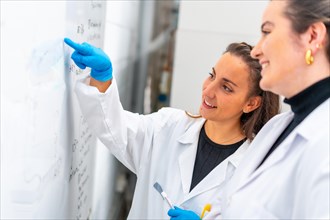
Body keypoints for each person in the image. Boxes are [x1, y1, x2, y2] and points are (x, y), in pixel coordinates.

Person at [64, 38, 280, 219]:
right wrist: (103, 78)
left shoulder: (255, 169)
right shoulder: (168, 127)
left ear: (251, 103)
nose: (209, 91)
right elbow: (113, 126)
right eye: (212, 75)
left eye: (226, 87)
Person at [211, 0, 329, 219]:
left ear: (312, 36)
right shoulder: (278, 126)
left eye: (267, 31)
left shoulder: (324, 145)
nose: (256, 51)